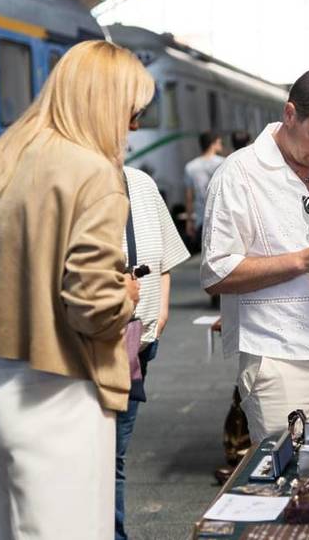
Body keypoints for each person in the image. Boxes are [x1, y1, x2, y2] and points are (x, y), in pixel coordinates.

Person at [0, 40, 151, 538]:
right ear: (106, 102)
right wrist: (127, 294)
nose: (133, 126)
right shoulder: (93, 174)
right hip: (60, 391)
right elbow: (93, 307)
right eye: (132, 110)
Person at [201, 68, 309, 444]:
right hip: (281, 362)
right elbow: (216, 274)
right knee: (291, 487)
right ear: (290, 114)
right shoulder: (239, 175)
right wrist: (302, 260)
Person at [115, 164, 189, 540]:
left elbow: (164, 260)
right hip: (88, 346)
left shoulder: (141, 183)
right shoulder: (64, 183)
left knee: (114, 455)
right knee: (93, 457)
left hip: (136, 341)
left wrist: (159, 313)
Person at [184, 132, 225, 248]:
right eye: (219, 142)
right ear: (213, 144)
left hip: (202, 219)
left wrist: (189, 221)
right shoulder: (224, 162)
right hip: (222, 216)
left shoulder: (190, 167)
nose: (221, 145)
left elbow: (189, 197)